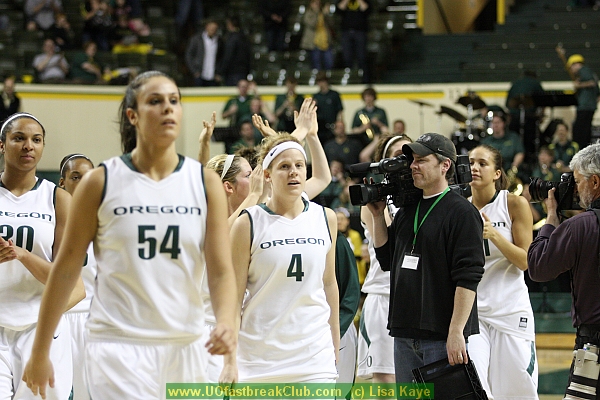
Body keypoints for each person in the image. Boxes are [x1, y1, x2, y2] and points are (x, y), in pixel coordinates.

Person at [21, 71, 239, 399]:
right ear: (133, 116)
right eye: (155, 101)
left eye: (174, 101)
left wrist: (225, 322)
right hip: (118, 346)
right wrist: (40, 351)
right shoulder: (100, 182)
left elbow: (221, 270)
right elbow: (65, 270)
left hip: (185, 344)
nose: (168, 108)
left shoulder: (204, 183)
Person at [364, 132, 485, 382]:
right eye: (412, 160)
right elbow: (387, 260)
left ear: (445, 165)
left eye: (420, 160)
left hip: (442, 335)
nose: (412, 166)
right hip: (405, 332)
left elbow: (468, 277)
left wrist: (456, 331)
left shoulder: (462, 212)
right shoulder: (408, 211)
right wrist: (377, 216)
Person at [230, 133, 340, 383]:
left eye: (299, 165)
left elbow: (329, 283)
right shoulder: (248, 222)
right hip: (259, 360)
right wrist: (229, 357)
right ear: (267, 175)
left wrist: (335, 341)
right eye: (284, 167)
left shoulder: (326, 218)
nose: (294, 173)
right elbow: (234, 297)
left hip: (314, 358)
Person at [0, 113, 85, 400]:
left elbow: (70, 282)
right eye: (19, 138)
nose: (28, 146)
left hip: (40, 328)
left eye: (36, 140)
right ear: (2, 145)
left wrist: (23, 256)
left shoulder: (58, 199)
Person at [527, 143, 600, 396]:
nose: (576, 191)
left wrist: (550, 220)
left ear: (595, 182)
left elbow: (538, 268)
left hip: (594, 346)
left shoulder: (580, 226)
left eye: (578, 182)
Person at [468, 144, 538, 398]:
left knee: (518, 390)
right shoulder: (460, 208)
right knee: (475, 387)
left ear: (497, 173)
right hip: (474, 314)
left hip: (510, 311)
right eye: (471, 162)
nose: (474, 167)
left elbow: (525, 261)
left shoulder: (513, 204)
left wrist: (495, 236)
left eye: (482, 163)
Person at [357, 132, 412, 386]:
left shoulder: (424, 198)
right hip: (383, 295)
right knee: (386, 383)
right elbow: (394, 238)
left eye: (407, 155)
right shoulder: (374, 201)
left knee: (416, 382)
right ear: (384, 164)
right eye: (395, 157)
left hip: (415, 297)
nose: (402, 161)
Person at [58, 153, 97, 400]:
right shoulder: (48, 222)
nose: (83, 182)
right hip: (60, 319)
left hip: (93, 321)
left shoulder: (106, 223)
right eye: (75, 177)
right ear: (62, 183)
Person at [505, 70, 544, 161]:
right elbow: (543, 100)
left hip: (515, 118)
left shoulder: (515, 83)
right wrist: (541, 115)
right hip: (529, 118)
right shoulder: (536, 83)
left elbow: (507, 104)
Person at [566, 54, 599, 147]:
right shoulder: (590, 72)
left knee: (579, 132)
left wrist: (578, 85)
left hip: (584, 107)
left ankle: (579, 151)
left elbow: (591, 83)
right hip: (590, 107)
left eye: (571, 67)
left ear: (575, 64)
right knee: (586, 132)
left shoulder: (583, 70)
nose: (572, 70)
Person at [351, 87, 389, 161]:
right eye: (366, 96)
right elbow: (353, 130)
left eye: (370, 96)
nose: (368, 99)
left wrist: (378, 123)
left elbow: (386, 129)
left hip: (377, 139)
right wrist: (363, 128)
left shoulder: (381, 111)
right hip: (362, 140)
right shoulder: (359, 112)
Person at [336, 0, 370, 81]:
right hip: (346, 32)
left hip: (360, 31)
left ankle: (364, 79)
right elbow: (339, 9)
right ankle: (349, 78)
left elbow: (366, 9)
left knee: (361, 57)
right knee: (347, 57)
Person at [185, 19, 222, 87]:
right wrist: (194, 71)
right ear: (207, 27)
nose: (213, 30)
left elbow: (221, 58)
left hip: (213, 76)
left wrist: (219, 73)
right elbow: (189, 55)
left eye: (215, 29)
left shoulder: (219, 41)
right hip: (199, 74)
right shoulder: (196, 39)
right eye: (211, 28)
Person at [217, 16, 251, 87]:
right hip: (243, 71)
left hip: (232, 72)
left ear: (230, 24)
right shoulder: (244, 37)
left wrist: (221, 72)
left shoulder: (232, 39)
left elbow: (228, 56)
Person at [300, 0, 334, 71]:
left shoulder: (324, 14)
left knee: (329, 64)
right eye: (316, 3)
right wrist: (318, 13)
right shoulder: (308, 14)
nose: (318, 5)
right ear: (311, 4)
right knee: (316, 65)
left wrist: (326, 14)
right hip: (314, 44)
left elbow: (332, 24)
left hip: (326, 43)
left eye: (319, 3)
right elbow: (312, 24)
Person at [313, 71, 343, 144]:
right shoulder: (316, 96)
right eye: (319, 82)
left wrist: (339, 124)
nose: (320, 84)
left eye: (322, 81)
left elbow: (340, 111)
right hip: (321, 127)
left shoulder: (334, 95)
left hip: (332, 126)